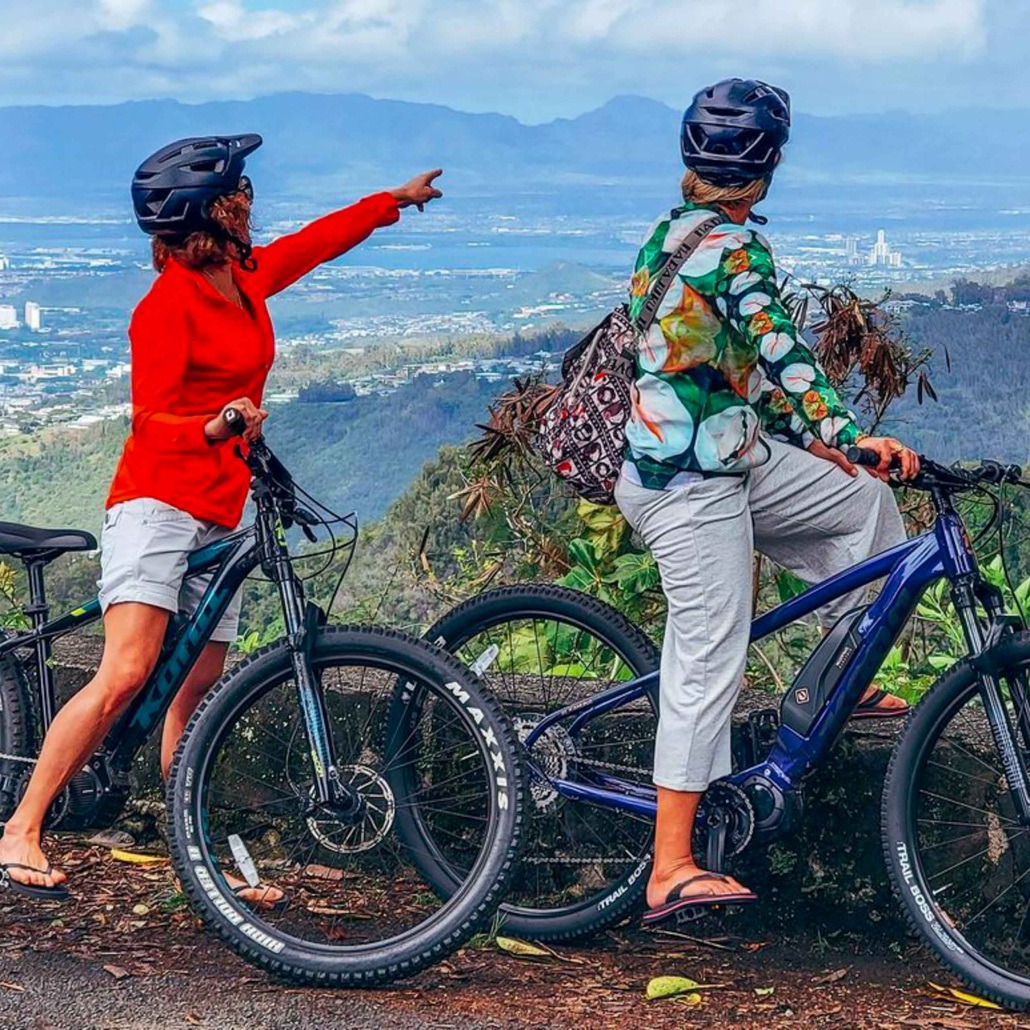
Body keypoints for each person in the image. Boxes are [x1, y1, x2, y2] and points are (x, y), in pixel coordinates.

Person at [0, 134, 443, 899]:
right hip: (157, 504)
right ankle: (22, 828)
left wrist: (389, 203)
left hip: (224, 503)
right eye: (238, 193)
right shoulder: (166, 305)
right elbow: (149, 420)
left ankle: (196, 859)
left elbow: (308, 248)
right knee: (129, 670)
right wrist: (213, 426)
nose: (250, 202)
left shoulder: (241, 275)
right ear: (206, 211)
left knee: (196, 692)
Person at [613, 79, 920, 925]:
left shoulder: (673, 233)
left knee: (862, 510)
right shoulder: (733, 249)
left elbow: (726, 361)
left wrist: (816, 442)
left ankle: (843, 676)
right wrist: (843, 425)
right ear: (768, 166)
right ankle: (670, 863)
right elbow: (782, 348)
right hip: (684, 481)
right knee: (711, 650)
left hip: (733, 452)